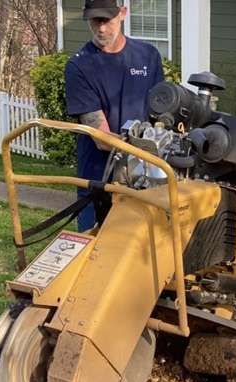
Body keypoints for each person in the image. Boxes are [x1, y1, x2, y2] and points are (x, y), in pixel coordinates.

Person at [64, 0, 165, 232]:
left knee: (142, 254)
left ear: (122, 14)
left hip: (144, 181)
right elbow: (101, 138)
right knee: (94, 253)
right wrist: (149, 149)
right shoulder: (79, 67)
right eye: (94, 21)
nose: (101, 29)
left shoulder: (147, 56)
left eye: (106, 20)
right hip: (98, 181)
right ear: (84, 15)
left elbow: (161, 116)